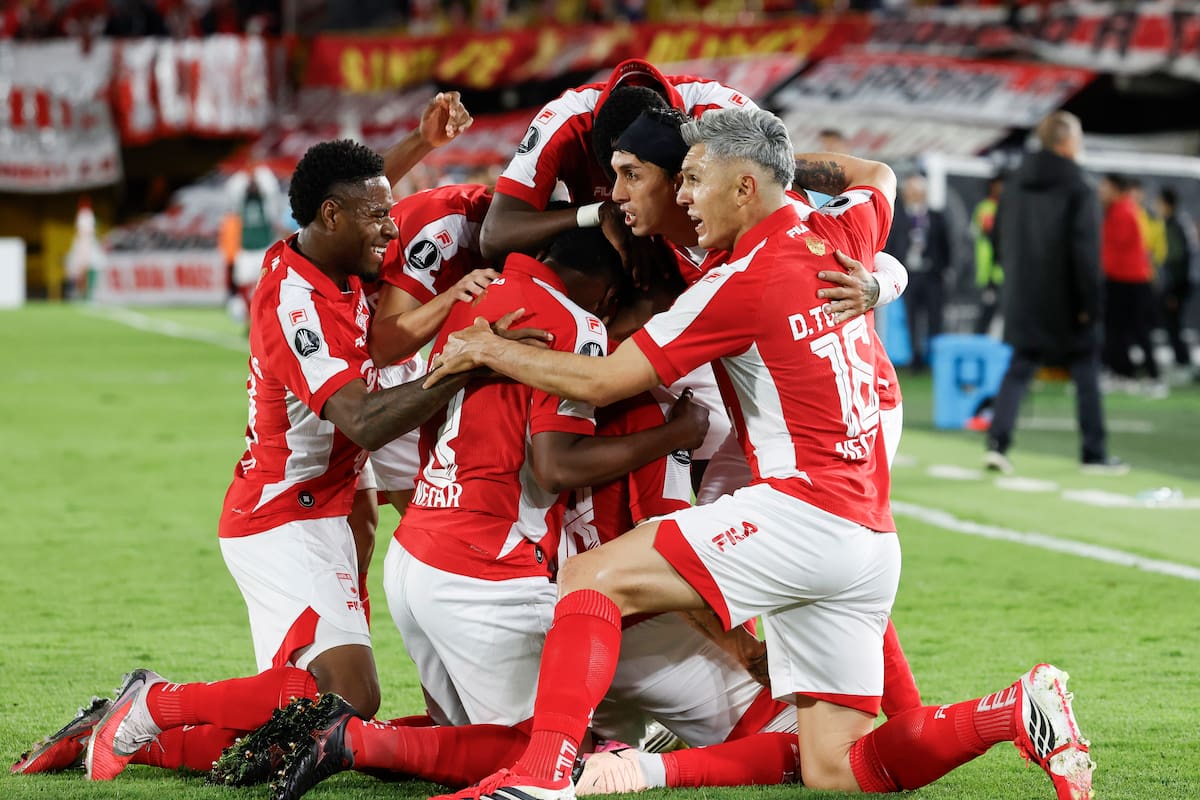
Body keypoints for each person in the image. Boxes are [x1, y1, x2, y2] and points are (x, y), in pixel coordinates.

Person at [421, 107, 1094, 800]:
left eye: (694, 179)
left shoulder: (739, 282)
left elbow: (603, 379)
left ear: (744, 187)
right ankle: (1012, 711)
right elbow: (877, 175)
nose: (683, 194)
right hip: (868, 537)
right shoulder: (843, 229)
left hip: (802, 510)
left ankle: (541, 777)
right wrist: (836, 233)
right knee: (837, 769)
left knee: (591, 576)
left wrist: (488, 349)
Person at [12, 139, 492, 783]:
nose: (392, 228)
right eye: (379, 217)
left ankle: (123, 735)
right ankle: (151, 703)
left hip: (327, 507)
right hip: (283, 517)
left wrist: (420, 145)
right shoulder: (295, 305)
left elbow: (349, 192)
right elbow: (363, 420)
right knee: (348, 698)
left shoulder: (332, 253)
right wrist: (462, 365)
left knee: (295, 733)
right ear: (331, 217)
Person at [479, 58, 758, 262]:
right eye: (615, 176)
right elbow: (495, 235)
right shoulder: (566, 121)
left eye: (632, 174)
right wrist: (599, 213)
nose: (617, 194)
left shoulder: (724, 114)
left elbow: (774, 206)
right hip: (621, 260)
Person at [985, 113, 1126, 476]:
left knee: (1019, 368)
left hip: (1023, 295)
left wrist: (1014, 281)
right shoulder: (1080, 186)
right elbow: (1085, 252)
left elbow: (997, 238)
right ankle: (1093, 453)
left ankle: (997, 444)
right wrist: (1090, 305)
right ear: (1067, 142)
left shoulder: (1014, 182)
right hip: (1067, 301)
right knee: (1086, 371)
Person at [1099, 173, 1163, 393]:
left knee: (1139, 330)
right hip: (1119, 279)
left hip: (1131, 281)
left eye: (1105, 187)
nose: (1101, 192)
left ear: (1117, 189)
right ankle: (1122, 373)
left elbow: (1114, 247)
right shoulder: (1117, 210)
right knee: (1116, 330)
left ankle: (1154, 378)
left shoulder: (1125, 211)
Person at [884, 173, 951, 370]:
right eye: (910, 192)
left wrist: (944, 269)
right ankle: (916, 358)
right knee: (911, 317)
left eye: (917, 192)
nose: (913, 196)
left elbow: (946, 246)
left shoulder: (936, 217)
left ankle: (936, 358)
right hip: (909, 275)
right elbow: (891, 244)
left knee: (935, 318)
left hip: (932, 275)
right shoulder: (898, 217)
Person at [1157, 186, 1197, 378]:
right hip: (1180, 283)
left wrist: (1174, 291)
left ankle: (1183, 363)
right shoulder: (1179, 222)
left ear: (1166, 204)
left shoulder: (1174, 225)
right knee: (1173, 325)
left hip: (1178, 285)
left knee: (1173, 325)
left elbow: (1178, 260)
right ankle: (1183, 362)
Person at [972, 175, 1004, 335]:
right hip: (989, 272)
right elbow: (989, 231)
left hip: (1004, 272)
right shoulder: (985, 208)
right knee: (986, 313)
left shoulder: (1009, 207)